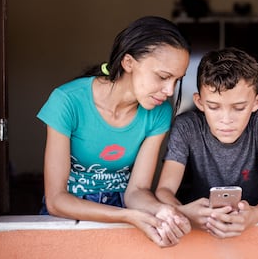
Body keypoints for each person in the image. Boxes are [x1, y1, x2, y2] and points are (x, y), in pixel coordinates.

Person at [37, 16, 192, 247]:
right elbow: (56, 200)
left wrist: (164, 211)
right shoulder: (67, 101)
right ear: (129, 63)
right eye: (162, 77)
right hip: (69, 219)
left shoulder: (158, 113)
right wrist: (126, 216)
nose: (169, 90)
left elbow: (137, 191)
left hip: (127, 213)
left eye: (177, 81)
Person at [155, 47, 258, 238]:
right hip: (199, 231)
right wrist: (185, 212)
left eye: (238, 108)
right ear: (199, 102)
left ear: (256, 102)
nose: (226, 119)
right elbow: (164, 190)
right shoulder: (187, 126)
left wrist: (254, 215)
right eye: (213, 107)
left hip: (255, 229)